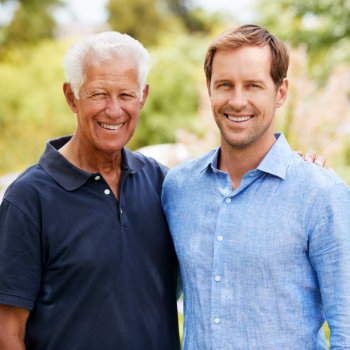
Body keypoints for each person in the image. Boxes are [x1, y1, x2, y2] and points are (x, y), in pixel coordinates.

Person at [162, 24, 350, 349]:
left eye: (253, 85)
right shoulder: (177, 189)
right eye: (224, 85)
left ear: (280, 92)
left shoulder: (321, 194)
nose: (237, 100)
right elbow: (153, 293)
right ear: (209, 89)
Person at [0, 32, 180, 350]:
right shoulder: (28, 199)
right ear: (72, 97)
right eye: (98, 94)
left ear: (143, 96)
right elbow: (7, 331)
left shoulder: (162, 184)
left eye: (126, 94)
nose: (113, 110)